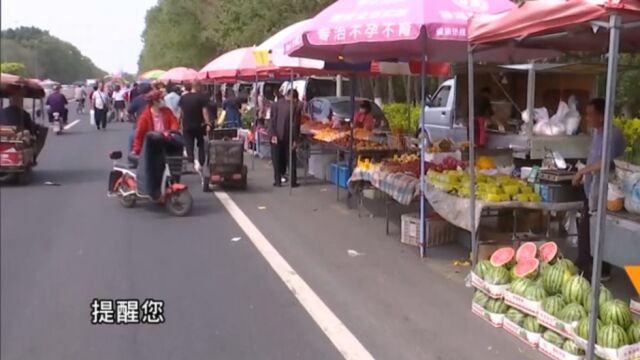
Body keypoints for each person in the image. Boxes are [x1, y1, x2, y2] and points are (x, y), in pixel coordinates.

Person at [572, 98, 625, 280]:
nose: (587, 118)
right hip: (592, 190)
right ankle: (585, 266)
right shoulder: (597, 133)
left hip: (606, 193)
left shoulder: (613, 134)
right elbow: (593, 158)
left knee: (599, 231)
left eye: (590, 114)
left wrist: (583, 172)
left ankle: (600, 270)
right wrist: (583, 173)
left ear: (602, 116)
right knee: (586, 229)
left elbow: (605, 162)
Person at [131, 90, 182, 199]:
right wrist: (137, 149)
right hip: (151, 147)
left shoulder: (166, 111)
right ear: (154, 101)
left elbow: (174, 123)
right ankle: (153, 191)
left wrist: (173, 131)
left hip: (165, 143)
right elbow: (139, 136)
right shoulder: (144, 117)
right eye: (161, 99)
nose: (163, 101)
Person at [270, 89, 301, 187]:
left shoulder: (275, 105)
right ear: (294, 98)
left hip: (276, 135)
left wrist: (273, 135)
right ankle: (292, 182)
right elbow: (295, 125)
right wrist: (296, 140)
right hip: (289, 136)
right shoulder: (296, 107)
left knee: (276, 159)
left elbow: (272, 122)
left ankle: (277, 181)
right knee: (291, 159)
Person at [178, 82, 211, 173]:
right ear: (198, 87)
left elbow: (181, 112)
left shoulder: (183, 98)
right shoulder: (201, 98)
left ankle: (191, 162)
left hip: (187, 125)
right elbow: (204, 112)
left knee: (189, 144)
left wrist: (178, 122)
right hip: (199, 125)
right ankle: (201, 160)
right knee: (200, 143)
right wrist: (208, 123)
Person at [127, 83, 153, 152]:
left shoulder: (138, 99)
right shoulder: (156, 97)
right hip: (156, 127)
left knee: (132, 138)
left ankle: (132, 157)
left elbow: (129, 111)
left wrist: (134, 120)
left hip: (142, 126)